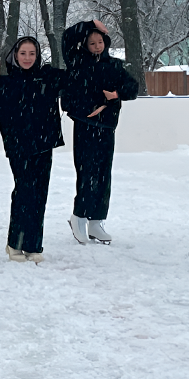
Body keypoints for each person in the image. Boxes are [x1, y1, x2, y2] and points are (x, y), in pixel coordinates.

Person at [0, 37, 66, 263]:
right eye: (23, 53)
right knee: (24, 192)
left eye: (32, 53)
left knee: (39, 196)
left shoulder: (48, 78)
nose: (28, 58)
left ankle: (33, 245)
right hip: (19, 148)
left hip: (44, 146)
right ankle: (15, 244)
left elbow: (78, 77)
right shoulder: (3, 85)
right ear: (15, 56)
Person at [61, 19, 139, 245]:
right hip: (85, 125)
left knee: (104, 175)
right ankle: (79, 216)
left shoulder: (115, 65)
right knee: (87, 172)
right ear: (85, 44)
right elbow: (67, 37)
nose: (97, 46)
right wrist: (90, 23)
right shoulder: (76, 61)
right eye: (92, 42)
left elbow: (132, 88)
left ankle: (97, 221)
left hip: (106, 127)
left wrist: (117, 95)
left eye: (100, 42)